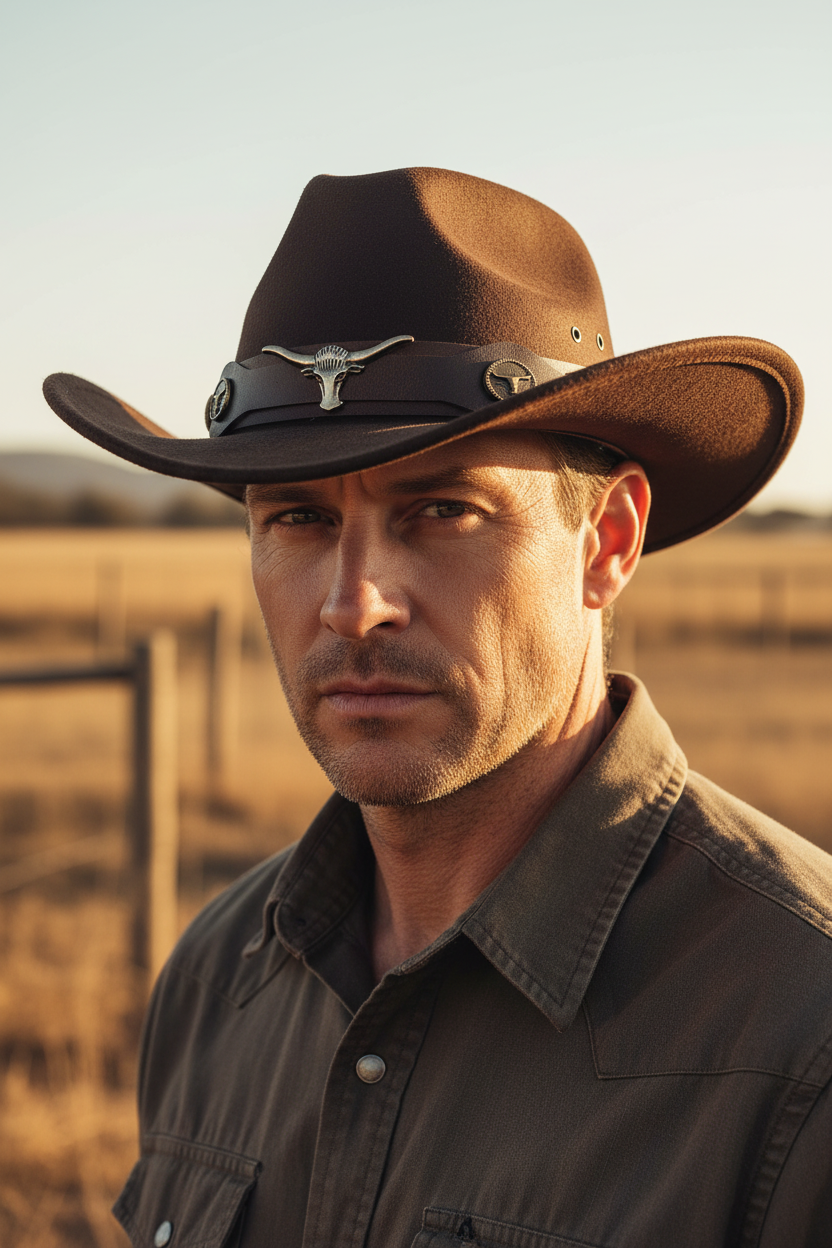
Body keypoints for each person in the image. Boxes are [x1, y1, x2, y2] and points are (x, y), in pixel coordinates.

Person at [44, 168, 832, 1247]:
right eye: (297, 519)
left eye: (445, 509)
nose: (351, 603)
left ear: (604, 544)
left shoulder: (800, 1030)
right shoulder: (218, 977)